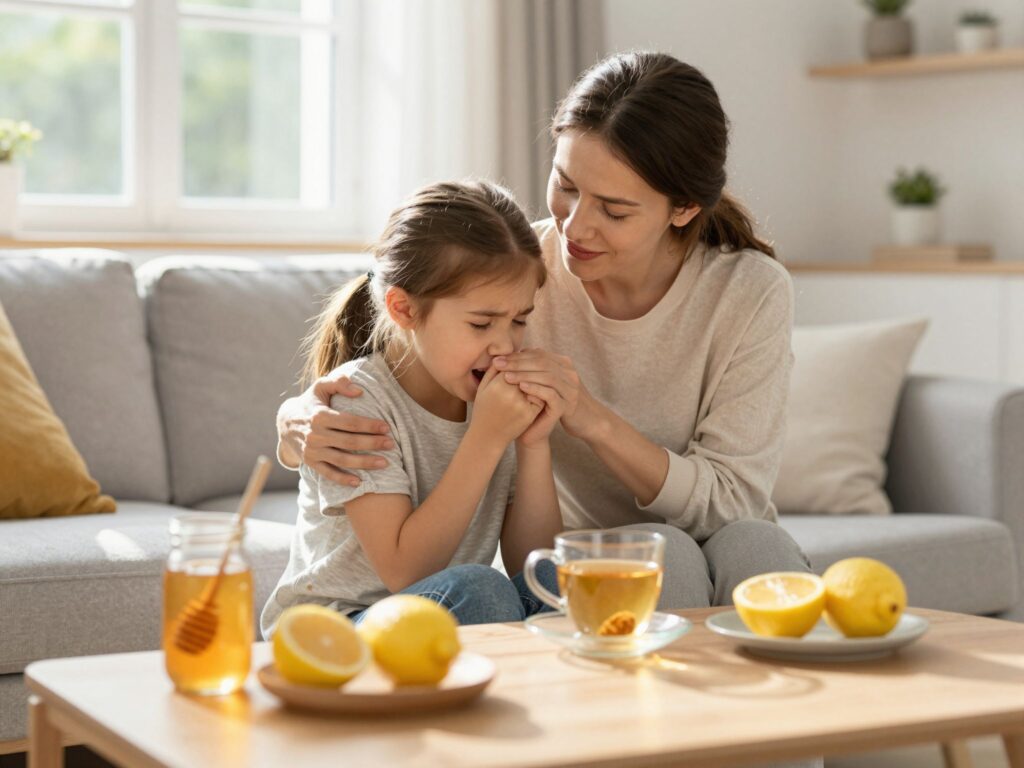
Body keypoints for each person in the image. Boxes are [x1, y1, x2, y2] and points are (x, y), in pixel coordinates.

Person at [275, 51, 811, 613]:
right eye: (566, 184)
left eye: (615, 210)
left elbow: (735, 501)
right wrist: (294, 422)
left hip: (715, 532)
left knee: (757, 544)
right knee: (661, 553)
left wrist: (591, 420)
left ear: (681, 209)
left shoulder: (750, 291)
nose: (576, 226)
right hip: (582, 556)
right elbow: (395, 329)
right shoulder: (520, 272)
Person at [261, 180, 565, 638]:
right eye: (481, 323)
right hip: (334, 631)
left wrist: (534, 443)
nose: (505, 344)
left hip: (435, 619)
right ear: (403, 310)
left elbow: (533, 564)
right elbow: (405, 572)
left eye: (519, 320)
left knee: (563, 580)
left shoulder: (486, 396)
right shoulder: (359, 403)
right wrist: (486, 437)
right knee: (482, 592)